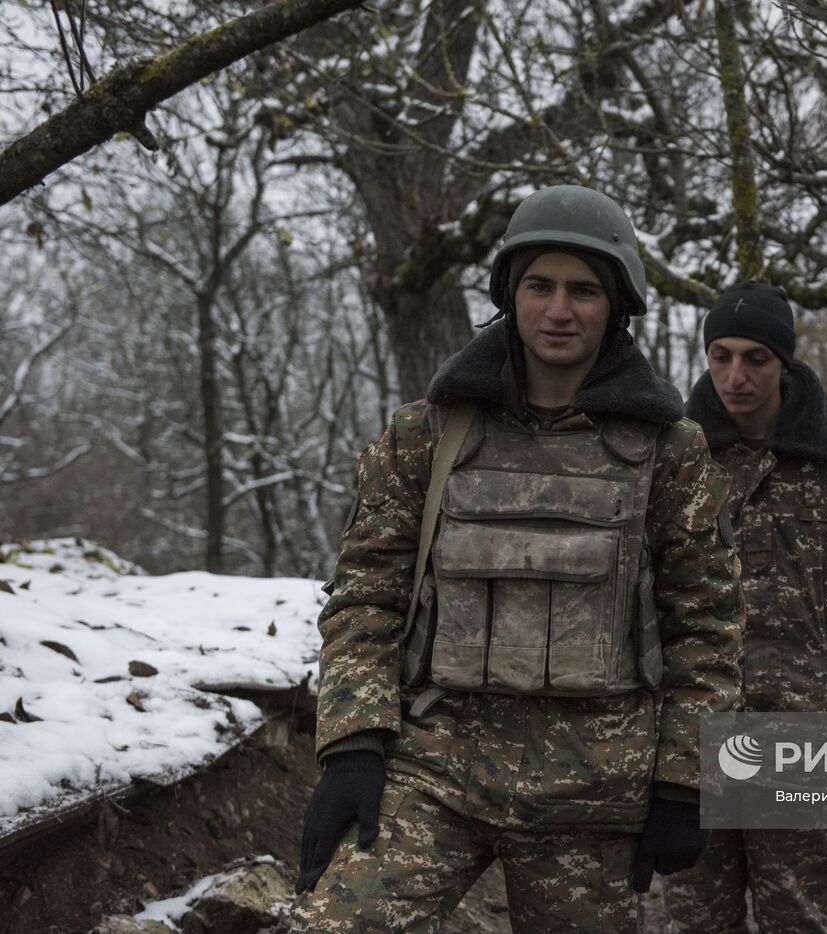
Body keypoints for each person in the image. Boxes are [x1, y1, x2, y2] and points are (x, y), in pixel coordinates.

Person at [291, 185, 744, 933]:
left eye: (583, 290)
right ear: (510, 294)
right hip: (435, 769)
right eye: (539, 286)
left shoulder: (670, 450)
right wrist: (353, 745)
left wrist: (686, 782)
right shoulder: (426, 434)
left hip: (594, 788)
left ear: (617, 305)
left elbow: (708, 627)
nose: (559, 310)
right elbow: (367, 593)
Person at [663, 281, 827, 933]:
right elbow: (645, 578)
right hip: (696, 723)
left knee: (797, 912)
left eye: (755, 358)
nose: (735, 376)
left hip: (804, 729)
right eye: (720, 356)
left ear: (785, 363)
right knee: (694, 913)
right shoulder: (678, 453)